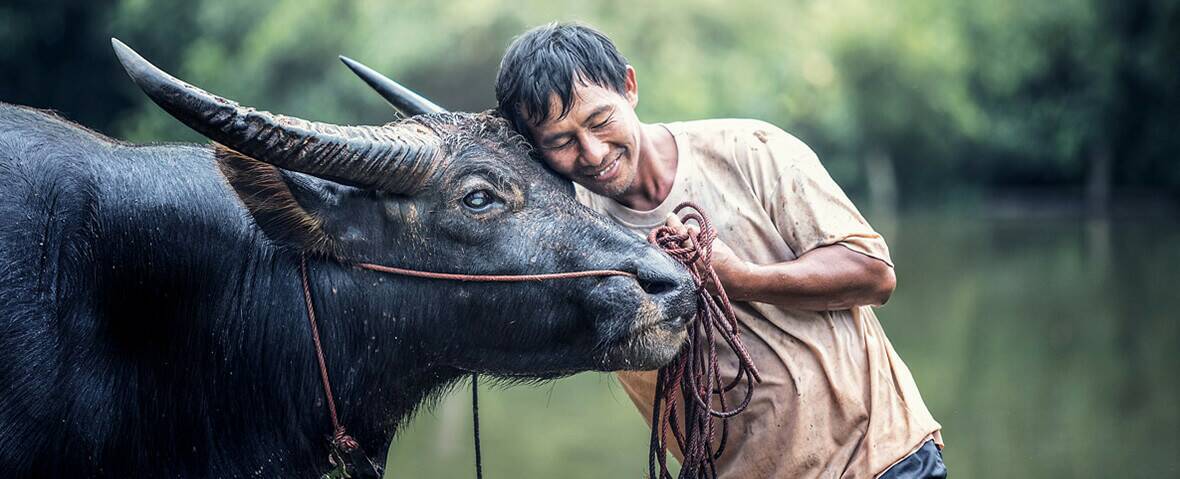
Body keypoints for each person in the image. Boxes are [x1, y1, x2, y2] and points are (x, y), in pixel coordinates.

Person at [494, 22, 945, 479]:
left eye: (599, 121)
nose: (592, 153)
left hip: (879, 457)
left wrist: (740, 279)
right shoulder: (571, 233)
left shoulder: (751, 151)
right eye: (562, 142)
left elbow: (873, 273)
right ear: (537, 150)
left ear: (629, 87)